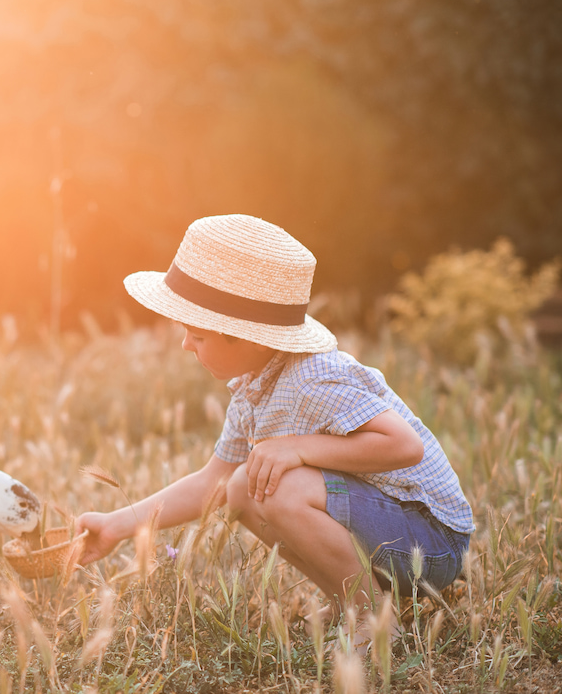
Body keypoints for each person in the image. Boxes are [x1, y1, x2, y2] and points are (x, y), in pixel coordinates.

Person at [75, 214, 474, 627]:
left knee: (281, 488)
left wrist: (297, 448)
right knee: (241, 488)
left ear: (247, 337)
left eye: (198, 335)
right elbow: (213, 482)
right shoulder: (253, 387)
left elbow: (405, 445)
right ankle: (349, 599)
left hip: (432, 541)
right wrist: (115, 525)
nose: (185, 344)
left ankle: (371, 619)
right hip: (392, 533)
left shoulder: (312, 378)